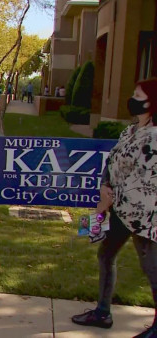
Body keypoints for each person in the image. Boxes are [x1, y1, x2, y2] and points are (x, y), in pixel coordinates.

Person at [71, 78, 157, 338]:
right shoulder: (130, 130)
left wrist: (110, 199)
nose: (131, 98)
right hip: (116, 209)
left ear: (151, 102)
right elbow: (113, 161)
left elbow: (146, 178)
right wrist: (103, 189)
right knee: (104, 254)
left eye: (137, 94)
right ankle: (102, 311)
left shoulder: (154, 136)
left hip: (144, 216)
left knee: (152, 269)